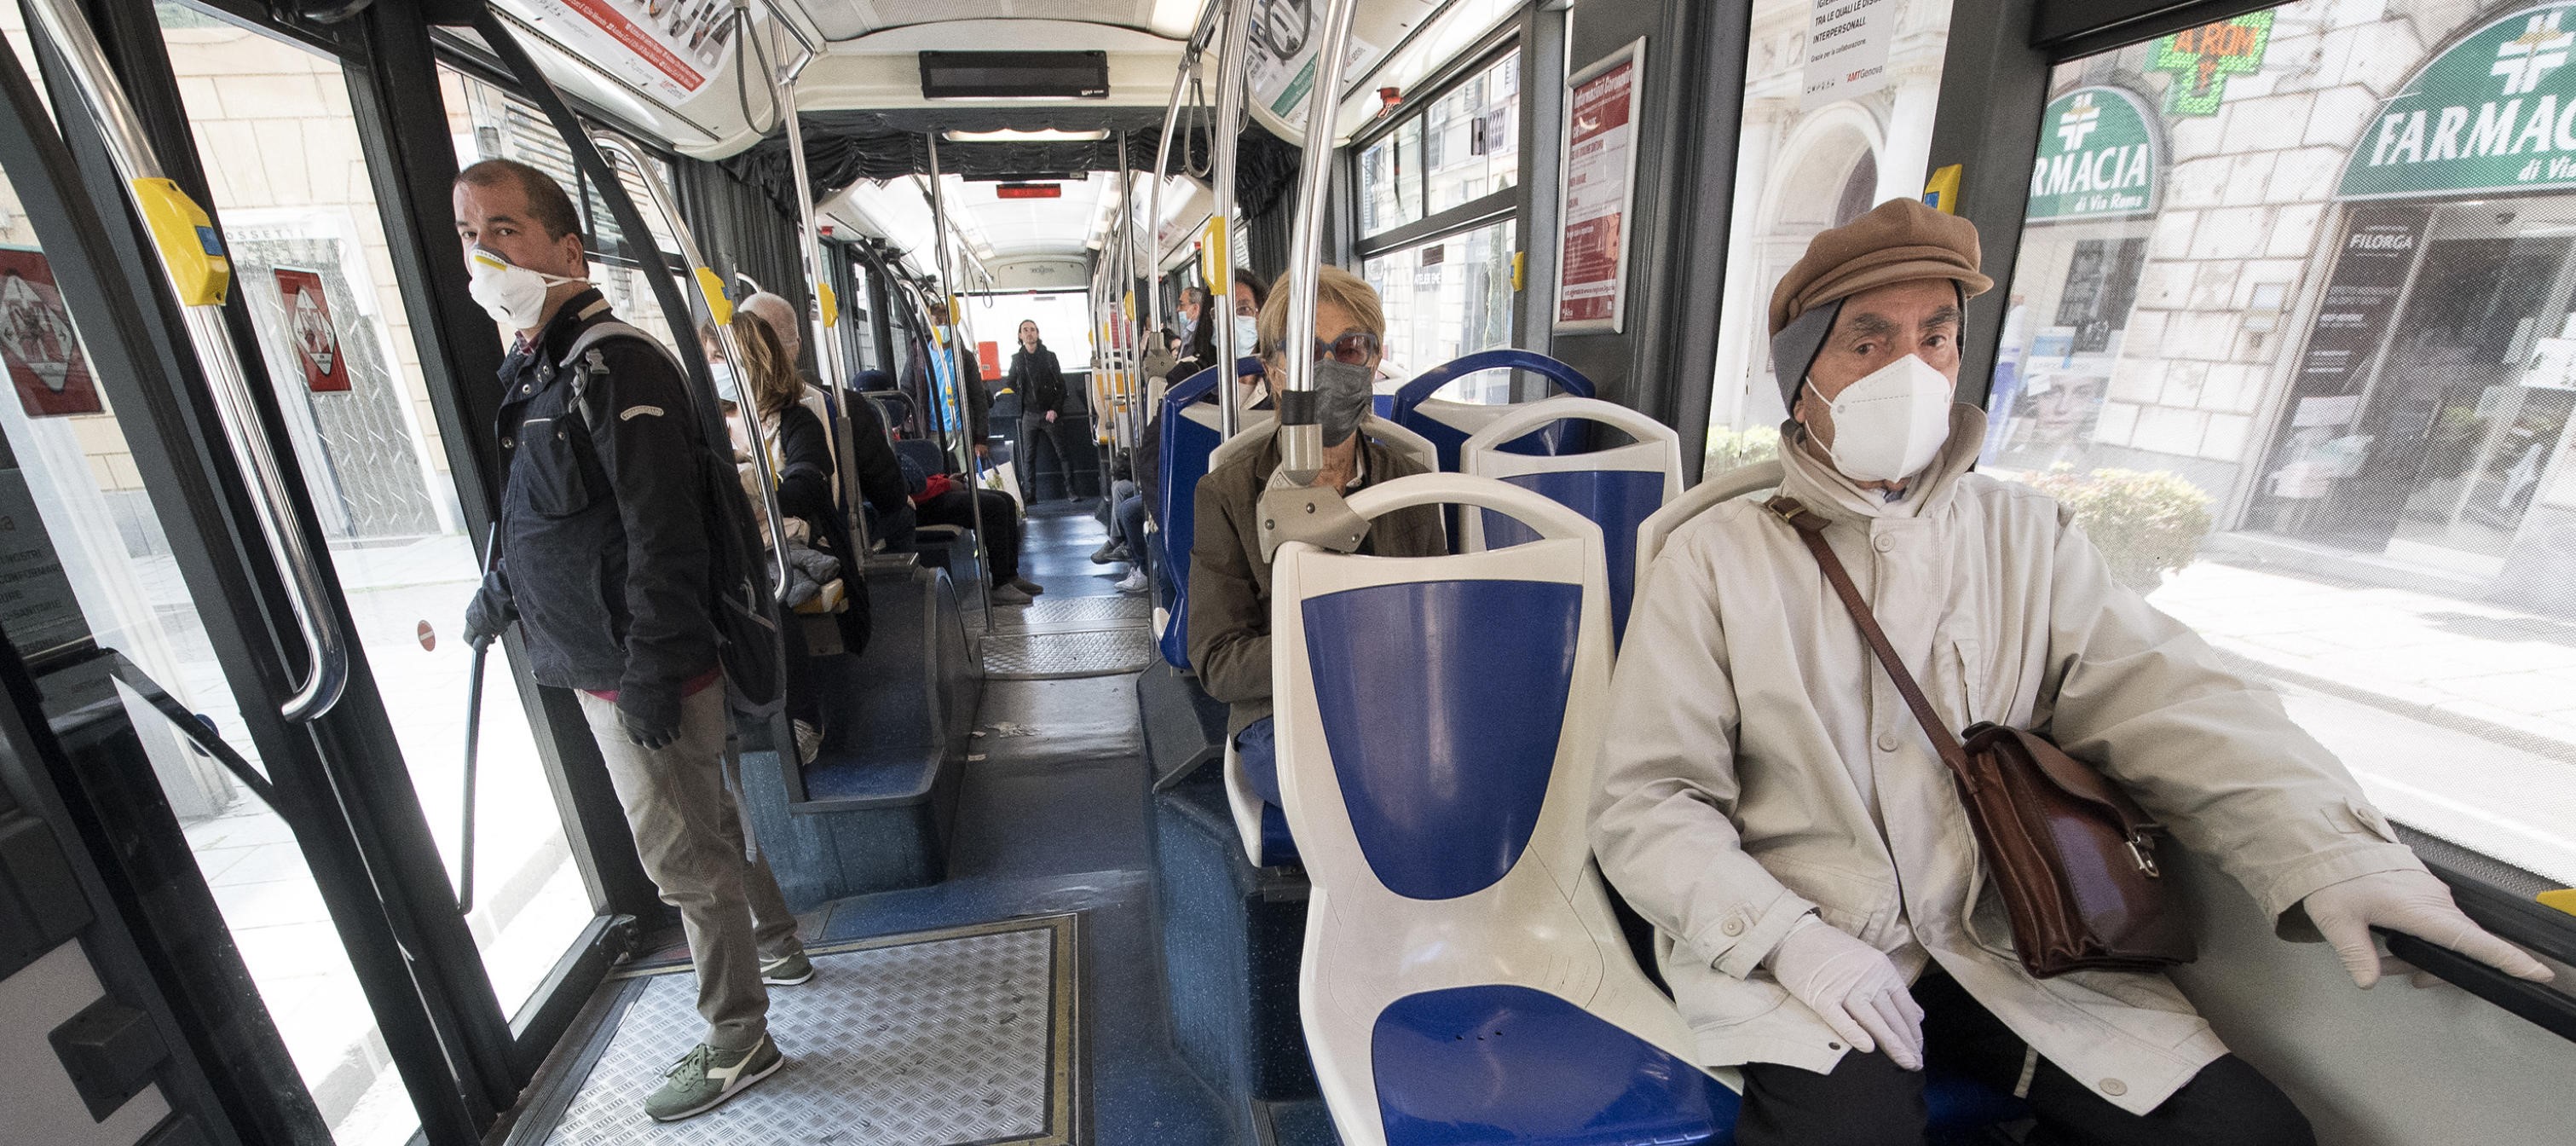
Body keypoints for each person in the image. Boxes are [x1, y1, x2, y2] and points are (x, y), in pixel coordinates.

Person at [1589, 198, 2553, 1146]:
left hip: (2009, 936)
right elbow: (1649, 801)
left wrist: (2335, 855)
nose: (1912, 371)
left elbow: (2170, 700)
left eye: (1937, 337)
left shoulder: (2024, 538)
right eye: (1867, 342)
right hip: (1810, 942)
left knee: (2243, 1131)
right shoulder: (1713, 557)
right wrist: (1787, 938)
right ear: (1803, 378)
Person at [451, 159, 808, 1122]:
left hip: (635, 664)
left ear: (567, 249)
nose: (483, 251)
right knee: (710, 822)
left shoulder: (616, 365)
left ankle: (741, 1038)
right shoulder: (539, 371)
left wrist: (650, 673)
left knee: (679, 856)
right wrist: (500, 590)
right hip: (597, 654)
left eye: (504, 231)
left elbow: (663, 532)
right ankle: (775, 941)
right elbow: (551, 519)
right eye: (468, 234)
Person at [1188, 266, 1443, 829]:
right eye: (1307, 354)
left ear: (1375, 363)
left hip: (1397, 704)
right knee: (1372, 790)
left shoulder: (1415, 485)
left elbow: (1440, 623)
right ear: (1273, 372)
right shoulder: (1228, 494)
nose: (1331, 369)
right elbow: (1217, 660)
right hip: (1282, 711)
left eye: (1351, 349)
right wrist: (1341, 643)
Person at [730, 309, 861, 765]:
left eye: (720, 360)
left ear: (752, 364)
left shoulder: (797, 420)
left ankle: (803, 714)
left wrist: (752, 487)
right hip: (734, 536)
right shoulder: (714, 423)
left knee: (765, 593)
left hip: (788, 535)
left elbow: (808, 480)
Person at [1009, 320, 1077, 503]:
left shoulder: (1049, 357)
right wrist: (1023, 397)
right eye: (1025, 330)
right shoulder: (1017, 360)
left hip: (1049, 413)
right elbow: (1010, 382)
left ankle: (1071, 491)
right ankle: (1030, 496)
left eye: (1032, 330)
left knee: (1063, 453)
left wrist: (1054, 409)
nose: (1029, 333)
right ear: (1020, 335)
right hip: (1029, 415)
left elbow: (1062, 387)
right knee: (1028, 457)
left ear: (1038, 334)